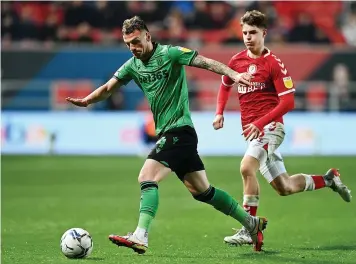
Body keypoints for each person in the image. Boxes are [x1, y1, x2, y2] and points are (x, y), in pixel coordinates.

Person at [66, 16, 267, 253]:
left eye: (137, 41)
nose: (133, 47)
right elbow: (110, 88)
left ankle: (141, 235)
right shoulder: (132, 65)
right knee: (203, 191)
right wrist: (88, 100)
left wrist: (233, 74)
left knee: (146, 176)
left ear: (148, 36)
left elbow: (204, 62)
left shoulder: (170, 54)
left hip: (179, 131)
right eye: (128, 43)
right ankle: (251, 223)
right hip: (174, 134)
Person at [212, 10, 352, 246]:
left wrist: (260, 122)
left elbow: (288, 102)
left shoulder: (273, 64)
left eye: (253, 33)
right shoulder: (236, 61)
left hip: (270, 128)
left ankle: (249, 227)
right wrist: (219, 112)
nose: (248, 37)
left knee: (247, 167)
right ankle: (329, 180)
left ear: (264, 33)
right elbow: (225, 84)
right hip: (253, 132)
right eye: (245, 33)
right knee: (284, 187)